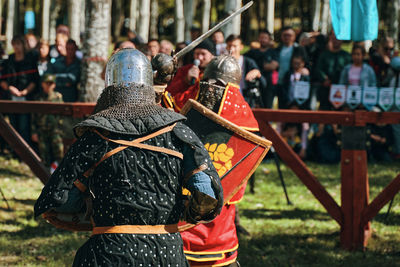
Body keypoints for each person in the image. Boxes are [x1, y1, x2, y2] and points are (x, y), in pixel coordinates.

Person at [34, 48, 223, 266]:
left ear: (109, 87)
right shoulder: (180, 133)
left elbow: (61, 201)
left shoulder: (96, 137)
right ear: (148, 85)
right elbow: (206, 197)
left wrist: (97, 208)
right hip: (167, 254)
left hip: (109, 252)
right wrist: (181, 209)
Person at [181, 55, 260, 266]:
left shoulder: (243, 120)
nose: (210, 89)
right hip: (186, 206)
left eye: (216, 85)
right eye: (206, 83)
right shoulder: (194, 108)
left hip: (219, 213)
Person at [0, 35, 39, 143]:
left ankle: (25, 154)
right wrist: (10, 88)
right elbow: (2, 80)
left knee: (24, 126)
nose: (17, 47)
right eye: (14, 44)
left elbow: (35, 80)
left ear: (23, 45)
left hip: (26, 97)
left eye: (19, 44)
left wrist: (25, 92)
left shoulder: (30, 60)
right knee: (13, 126)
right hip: (11, 97)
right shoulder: (9, 60)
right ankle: (14, 152)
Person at [166, 39, 216, 111]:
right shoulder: (185, 70)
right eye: (197, 54)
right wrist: (185, 81)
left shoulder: (216, 73)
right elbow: (170, 91)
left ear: (212, 55)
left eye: (203, 54)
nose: (199, 57)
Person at [31, 74, 64, 172]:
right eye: (47, 83)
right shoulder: (38, 98)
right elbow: (33, 117)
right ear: (42, 84)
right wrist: (33, 132)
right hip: (42, 130)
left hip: (55, 130)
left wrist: (61, 129)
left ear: (54, 85)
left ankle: (59, 173)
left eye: (51, 83)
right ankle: (45, 173)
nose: (49, 86)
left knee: (59, 153)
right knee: (44, 153)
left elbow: (62, 114)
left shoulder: (58, 97)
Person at [226, 34, 265, 107]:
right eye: (229, 46)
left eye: (235, 46)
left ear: (241, 47)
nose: (232, 49)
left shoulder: (249, 62)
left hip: (246, 101)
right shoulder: (223, 64)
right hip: (229, 101)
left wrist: (257, 73)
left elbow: (264, 84)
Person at [315, 32, 351, 110]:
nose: (336, 41)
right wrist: (324, 79)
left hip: (341, 90)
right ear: (330, 39)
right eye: (333, 38)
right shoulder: (324, 55)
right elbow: (318, 69)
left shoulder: (346, 56)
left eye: (338, 39)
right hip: (326, 89)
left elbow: (350, 71)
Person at [245, 30, 279, 108]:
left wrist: (256, 68)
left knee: (267, 107)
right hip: (253, 85)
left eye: (265, 38)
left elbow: (273, 66)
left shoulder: (273, 52)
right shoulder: (252, 52)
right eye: (261, 37)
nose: (263, 40)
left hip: (268, 85)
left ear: (269, 40)